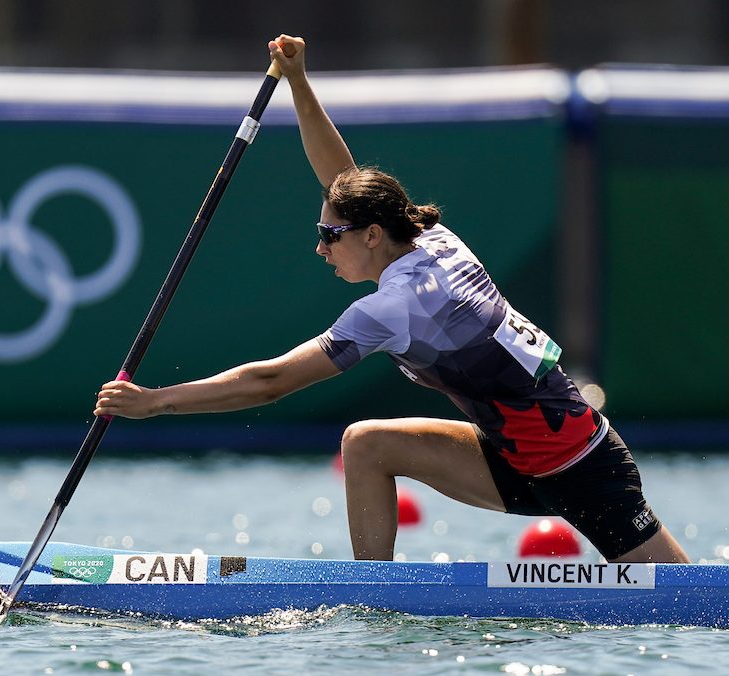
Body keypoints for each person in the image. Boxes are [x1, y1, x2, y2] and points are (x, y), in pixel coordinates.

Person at [93, 34, 690, 564]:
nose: (321, 248)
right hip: (514, 457)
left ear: (371, 234)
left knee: (694, 602)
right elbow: (342, 181)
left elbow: (269, 382)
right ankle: (373, 591)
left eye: (330, 235)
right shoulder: (429, 235)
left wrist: (155, 403)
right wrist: (299, 83)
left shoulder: (391, 309)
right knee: (367, 443)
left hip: (579, 464)